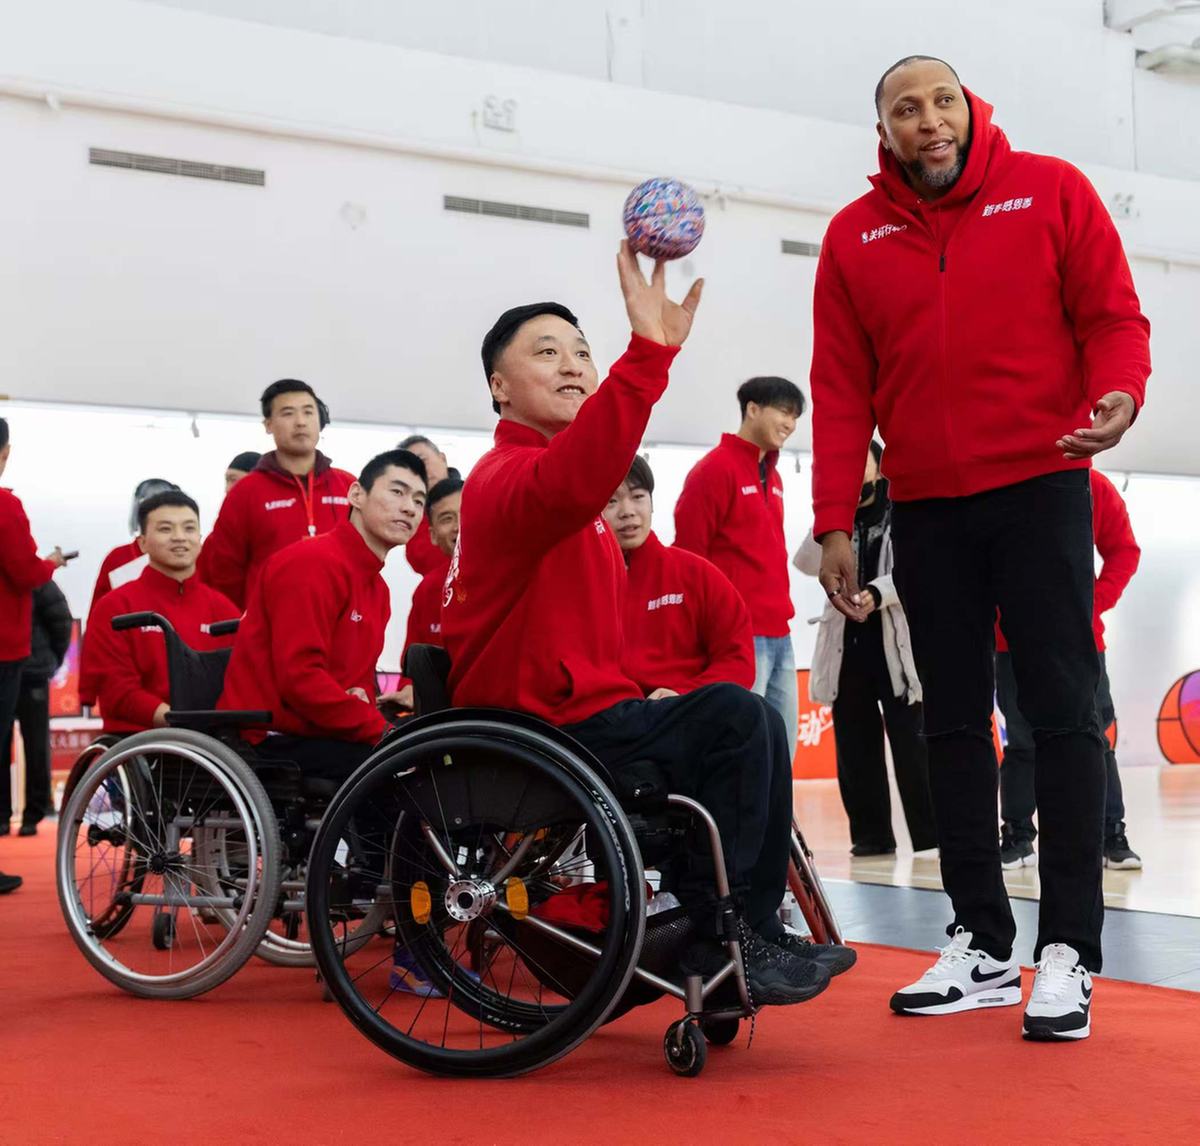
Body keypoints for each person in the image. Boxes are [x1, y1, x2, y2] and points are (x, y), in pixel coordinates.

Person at [810, 56, 1150, 1040]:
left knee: (1063, 716)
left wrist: (1119, 392)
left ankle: (1071, 953)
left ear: (971, 110)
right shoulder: (852, 235)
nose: (927, 120)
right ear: (884, 129)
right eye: (904, 108)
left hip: (1043, 483)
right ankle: (983, 943)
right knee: (949, 721)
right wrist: (838, 517)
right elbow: (840, 387)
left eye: (942, 101)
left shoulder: (1051, 189)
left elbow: (1112, 316)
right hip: (925, 505)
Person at [441, 246, 853, 1010]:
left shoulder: (576, 505)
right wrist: (648, 356)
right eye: (546, 353)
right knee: (738, 719)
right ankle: (731, 927)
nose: (572, 365)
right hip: (537, 729)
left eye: (582, 352)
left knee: (748, 721)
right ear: (499, 388)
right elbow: (577, 476)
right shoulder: (508, 479)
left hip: (580, 715)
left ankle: (741, 923)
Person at [217, 449, 427, 778]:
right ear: (357, 494)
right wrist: (380, 730)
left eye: (418, 501)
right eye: (397, 492)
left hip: (321, 729)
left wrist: (364, 698)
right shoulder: (311, 564)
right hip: (270, 738)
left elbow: (357, 678)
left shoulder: (378, 589)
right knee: (402, 770)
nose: (409, 508)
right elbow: (300, 678)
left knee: (428, 756)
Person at [794, 441, 935, 857]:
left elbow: (918, 565)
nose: (854, 472)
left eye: (861, 463)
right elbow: (804, 562)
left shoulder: (902, 507)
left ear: (878, 467)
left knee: (913, 744)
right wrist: (827, 514)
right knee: (855, 747)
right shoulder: (835, 519)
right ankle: (871, 837)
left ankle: (930, 838)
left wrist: (878, 593)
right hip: (848, 646)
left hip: (894, 644)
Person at [997, 469, 1142, 871]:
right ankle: (1018, 835)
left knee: (1095, 739)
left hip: (1081, 640)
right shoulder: (1002, 484)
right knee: (1022, 741)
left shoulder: (1094, 487)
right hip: (1011, 639)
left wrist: (1093, 603)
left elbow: (1124, 550)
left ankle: (1111, 833)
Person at [674, 376, 806, 757]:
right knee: (743, 752)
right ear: (752, 409)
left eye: (795, 416)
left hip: (781, 633)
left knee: (781, 753)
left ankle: (778, 820)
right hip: (739, 636)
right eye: (783, 412)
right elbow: (689, 557)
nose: (790, 424)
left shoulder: (775, 475)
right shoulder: (714, 470)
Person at [85, 492, 239, 732]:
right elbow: (117, 689)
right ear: (143, 542)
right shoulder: (115, 607)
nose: (179, 538)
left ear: (199, 537)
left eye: (189, 529)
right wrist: (181, 723)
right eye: (166, 529)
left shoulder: (224, 609)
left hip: (216, 743)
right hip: (141, 741)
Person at [603, 455, 755, 697]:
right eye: (611, 501)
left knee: (761, 714)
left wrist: (682, 695)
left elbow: (738, 660)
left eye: (638, 496)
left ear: (652, 502)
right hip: (610, 719)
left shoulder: (696, 574)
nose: (627, 512)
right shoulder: (583, 584)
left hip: (688, 713)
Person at [199, 380, 355, 608]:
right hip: (269, 629)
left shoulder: (349, 486)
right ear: (268, 424)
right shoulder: (246, 491)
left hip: (341, 624)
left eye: (308, 412)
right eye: (288, 413)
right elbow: (223, 570)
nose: (301, 422)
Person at [0, 417, 68, 849]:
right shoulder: (7, 506)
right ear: (5, 454)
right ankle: (25, 814)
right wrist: (51, 564)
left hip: (28, 663)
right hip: (7, 651)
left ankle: (25, 814)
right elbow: (27, 573)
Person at [81, 477, 180, 707]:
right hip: (127, 668)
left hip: (178, 670)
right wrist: (87, 690)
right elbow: (97, 619)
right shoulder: (118, 559)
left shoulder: (194, 559)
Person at [379, 475, 462, 714]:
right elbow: (412, 664)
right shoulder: (428, 588)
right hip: (443, 715)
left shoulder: (512, 577)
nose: (459, 526)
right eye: (447, 519)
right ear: (433, 535)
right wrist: (409, 690)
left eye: (466, 513)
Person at [0, 580, 72, 836]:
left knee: (37, 745)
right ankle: (2, 817)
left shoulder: (36, 579)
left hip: (32, 673)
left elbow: (62, 622)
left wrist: (52, 661)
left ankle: (34, 812)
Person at [396, 434, 461, 576]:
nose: (422, 471)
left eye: (423, 461)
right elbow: (421, 560)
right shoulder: (412, 515)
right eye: (413, 469)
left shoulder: (476, 492)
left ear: (442, 458)